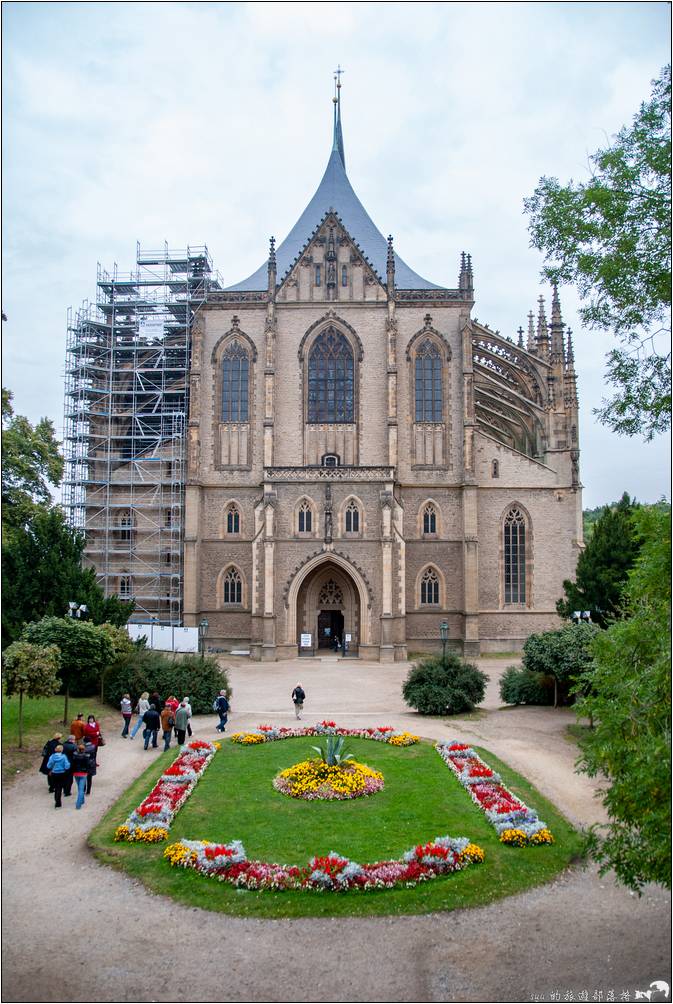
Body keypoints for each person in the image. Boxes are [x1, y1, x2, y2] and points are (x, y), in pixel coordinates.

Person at [71, 743, 91, 809]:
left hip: (76, 773)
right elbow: (88, 765)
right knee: (81, 789)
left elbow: (72, 764)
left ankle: (82, 800)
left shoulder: (74, 755)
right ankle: (78, 804)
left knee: (79, 787)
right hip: (83, 773)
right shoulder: (86, 756)